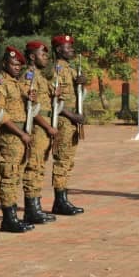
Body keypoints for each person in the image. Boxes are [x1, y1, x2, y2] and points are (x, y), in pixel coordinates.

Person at [0, 46, 34, 233]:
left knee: (16, 175)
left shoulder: (16, 83)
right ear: (5, 64)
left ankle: (13, 216)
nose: (17, 67)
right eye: (13, 64)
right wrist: (20, 134)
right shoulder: (1, 83)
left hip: (20, 135)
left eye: (19, 65)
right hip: (11, 136)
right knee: (9, 175)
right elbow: (0, 113)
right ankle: (8, 218)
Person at [21, 41, 59, 224]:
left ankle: (36, 205)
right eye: (42, 55)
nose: (45, 58)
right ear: (32, 56)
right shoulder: (29, 76)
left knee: (40, 167)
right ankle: (31, 209)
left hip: (44, 128)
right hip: (38, 128)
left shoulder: (40, 77)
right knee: (34, 167)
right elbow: (32, 108)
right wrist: (48, 126)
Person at [50, 35, 86, 215]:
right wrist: (72, 116)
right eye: (67, 47)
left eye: (72, 47)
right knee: (62, 161)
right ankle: (59, 200)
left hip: (72, 119)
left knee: (68, 161)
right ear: (58, 50)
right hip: (64, 120)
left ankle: (63, 197)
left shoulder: (71, 70)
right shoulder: (56, 70)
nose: (71, 50)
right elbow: (54, 100)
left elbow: (79, 95)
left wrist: (82, 84)